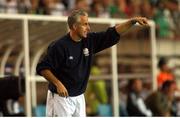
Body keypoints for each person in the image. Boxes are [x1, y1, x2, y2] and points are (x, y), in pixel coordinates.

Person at [36, 9, 148, 117]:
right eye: (85, 24)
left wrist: (132, 21)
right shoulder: (59, 46)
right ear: (74, 26)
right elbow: (42, 68)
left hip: (79, 97)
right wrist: (58, 83)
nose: (88, 28)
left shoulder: (89, 41)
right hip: (60, 99)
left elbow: (113, 32)